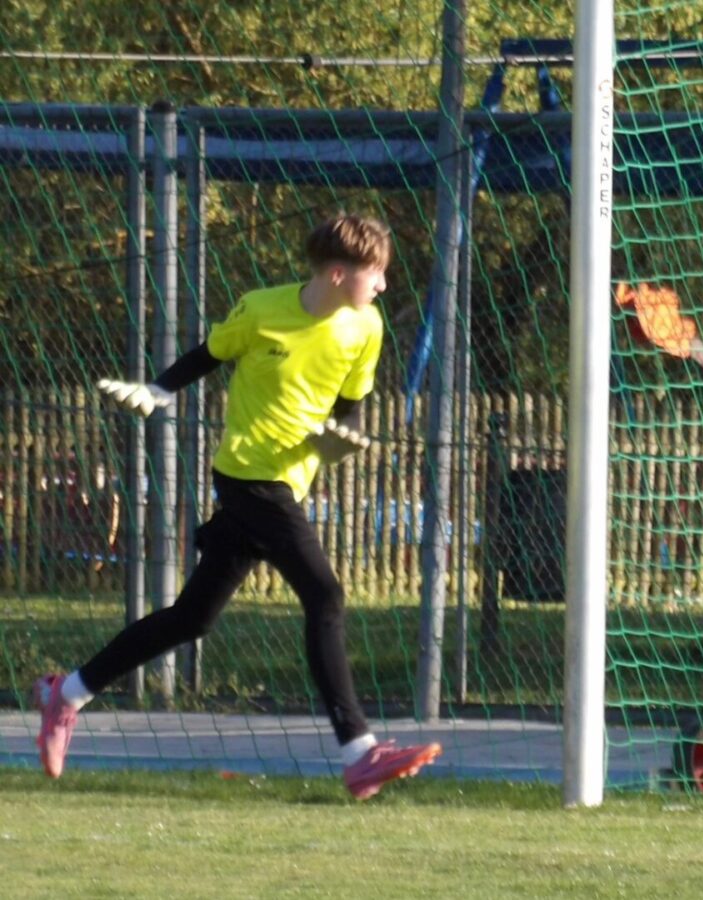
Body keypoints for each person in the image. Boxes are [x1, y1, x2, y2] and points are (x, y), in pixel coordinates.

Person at [33, 213, 441, 799]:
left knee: (192, 619)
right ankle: (360, 752)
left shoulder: (367, 327)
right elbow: (209, 353)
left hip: (289, 482)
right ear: (336, 272)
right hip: (248, 477)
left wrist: (338, 439)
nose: (382, 286)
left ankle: (64, 694)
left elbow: (349, 408)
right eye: (374, 275)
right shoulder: (261, 309)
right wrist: (157, 390)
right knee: (325, 595)